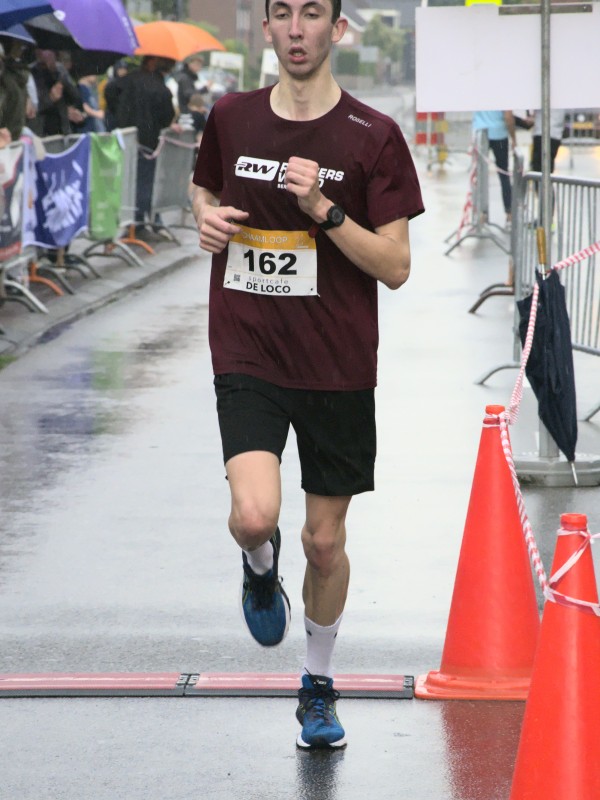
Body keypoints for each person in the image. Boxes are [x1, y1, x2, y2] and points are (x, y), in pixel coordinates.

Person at [191, 0, 424, 751]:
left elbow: (396, 265)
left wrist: (324, 208)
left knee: (324, 544)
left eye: (313, 13)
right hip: (249, 348)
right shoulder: (231, 117)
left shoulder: (373, 135)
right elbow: (203, 188)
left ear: (337, 29)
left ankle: (317, 686)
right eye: (283, 13)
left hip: (337, 362)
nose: (297, 28)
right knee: (255, 515)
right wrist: (203, 217)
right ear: (266, 27)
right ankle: (260, 567)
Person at [116, 56, 179, 233]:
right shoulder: (161, 89)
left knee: (128, 180)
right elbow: (167, 117)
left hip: (125, 138)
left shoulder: (128, 80)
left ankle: (134, 222)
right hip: (149, 142)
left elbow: (110, 93)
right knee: (145, 182)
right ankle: (141, 221)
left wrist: (120, 119)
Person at [472, 110, 516, 229]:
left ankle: (480, 214)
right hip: (499, 134)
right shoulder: (503, 96)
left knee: (479, 176)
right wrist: (513, 138)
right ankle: (509, 214)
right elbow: (508, 116)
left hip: (480, 134)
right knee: (504, 175)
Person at [30, 50, 84, 136]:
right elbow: (34, 107)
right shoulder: (31, 72)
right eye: (44, 51)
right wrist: (50, 98)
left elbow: (76, 96)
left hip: (63, 128)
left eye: (50, 52)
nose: (48, 54)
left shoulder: (60, 69)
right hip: (42, 129)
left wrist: (58, 75)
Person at [103, 60, 129, 132]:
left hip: (125, 117)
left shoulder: (129, 84)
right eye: (120, 69)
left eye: (124, 69)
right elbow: (110, 102)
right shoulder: (111, 84)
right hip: (113, 116)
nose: (123, 71)